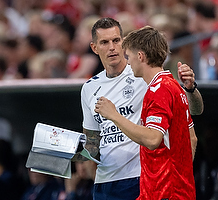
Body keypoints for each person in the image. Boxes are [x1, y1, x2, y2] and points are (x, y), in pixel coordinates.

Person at [77, 17, 203, 200]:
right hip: (105, 181)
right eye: (104, 42)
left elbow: (192, 113)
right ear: (94, 48)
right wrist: (80, 157)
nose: (112, 47)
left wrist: (191, 88)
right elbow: (91, 140)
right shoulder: (89, 88)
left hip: (143, 177)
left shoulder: (147, 76)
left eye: (116, 40)